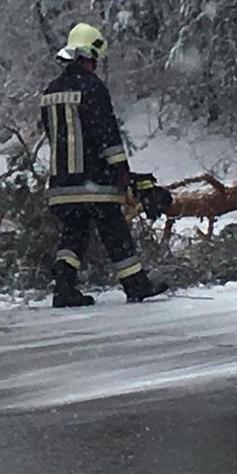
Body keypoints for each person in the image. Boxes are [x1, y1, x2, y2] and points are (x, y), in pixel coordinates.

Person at [40, 23, 169, 306]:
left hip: (62, 183)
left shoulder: (50, 91)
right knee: (115, 232)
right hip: (94, 181)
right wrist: (122, 173)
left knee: (73, 234)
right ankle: (137, 285)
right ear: (87, 56)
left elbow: (54, 135)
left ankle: (63, 288)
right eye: (94, 60)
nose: (95, 66)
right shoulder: (92, 87)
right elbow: (106, 135)